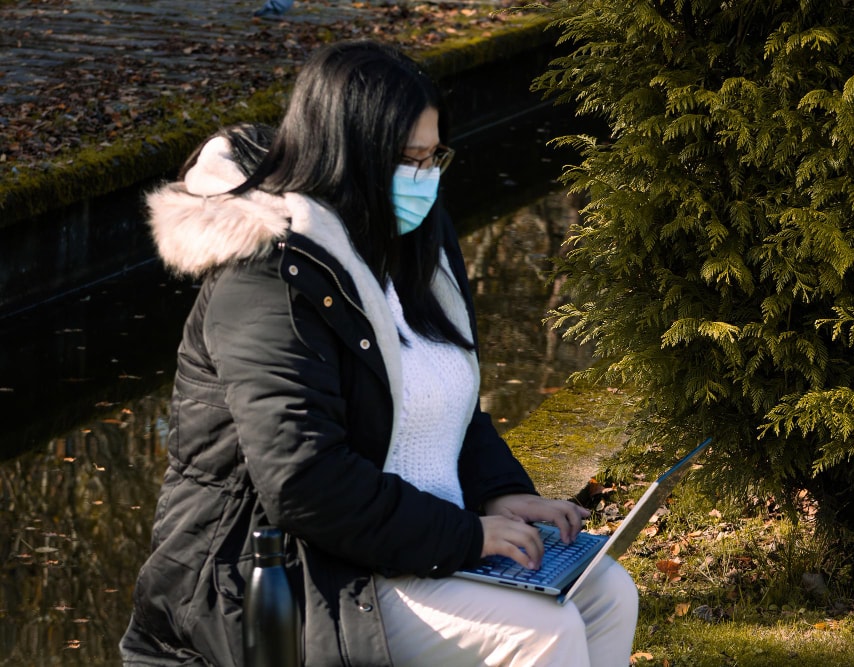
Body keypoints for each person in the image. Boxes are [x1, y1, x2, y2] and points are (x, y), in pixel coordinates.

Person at [120, 40, 638, 666]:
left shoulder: (410, 242)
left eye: (433, 155)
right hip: (288, 572)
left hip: (409, 541)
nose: (424, 176)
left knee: (607, 590)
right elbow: (304, 482)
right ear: (348, 155)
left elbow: (440, 398)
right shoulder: (265, 277)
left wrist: (498, 493)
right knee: (536, 631)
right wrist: (467, 535)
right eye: (407, 158)